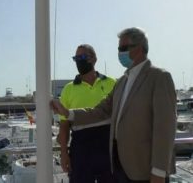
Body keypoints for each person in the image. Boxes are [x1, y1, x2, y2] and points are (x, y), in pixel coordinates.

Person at [52, 27, 176, 183]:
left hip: (145, 169)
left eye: (122, 48)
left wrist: (159, 171)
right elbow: (100, 111)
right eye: (119, 49)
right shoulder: (121, 82)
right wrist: (67, 112)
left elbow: (165, 129)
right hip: (119, 167)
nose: (119, 53)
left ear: (139, 48)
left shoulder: (159, 77)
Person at [58, 44, 115, 183]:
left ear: (94, 59)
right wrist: (64, 154)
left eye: (82, 57)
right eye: (76, 58)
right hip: (80, 148)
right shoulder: (68, 89)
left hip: (108, 146)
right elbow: (64, 126)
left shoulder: (112, 83)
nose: (79, 61)